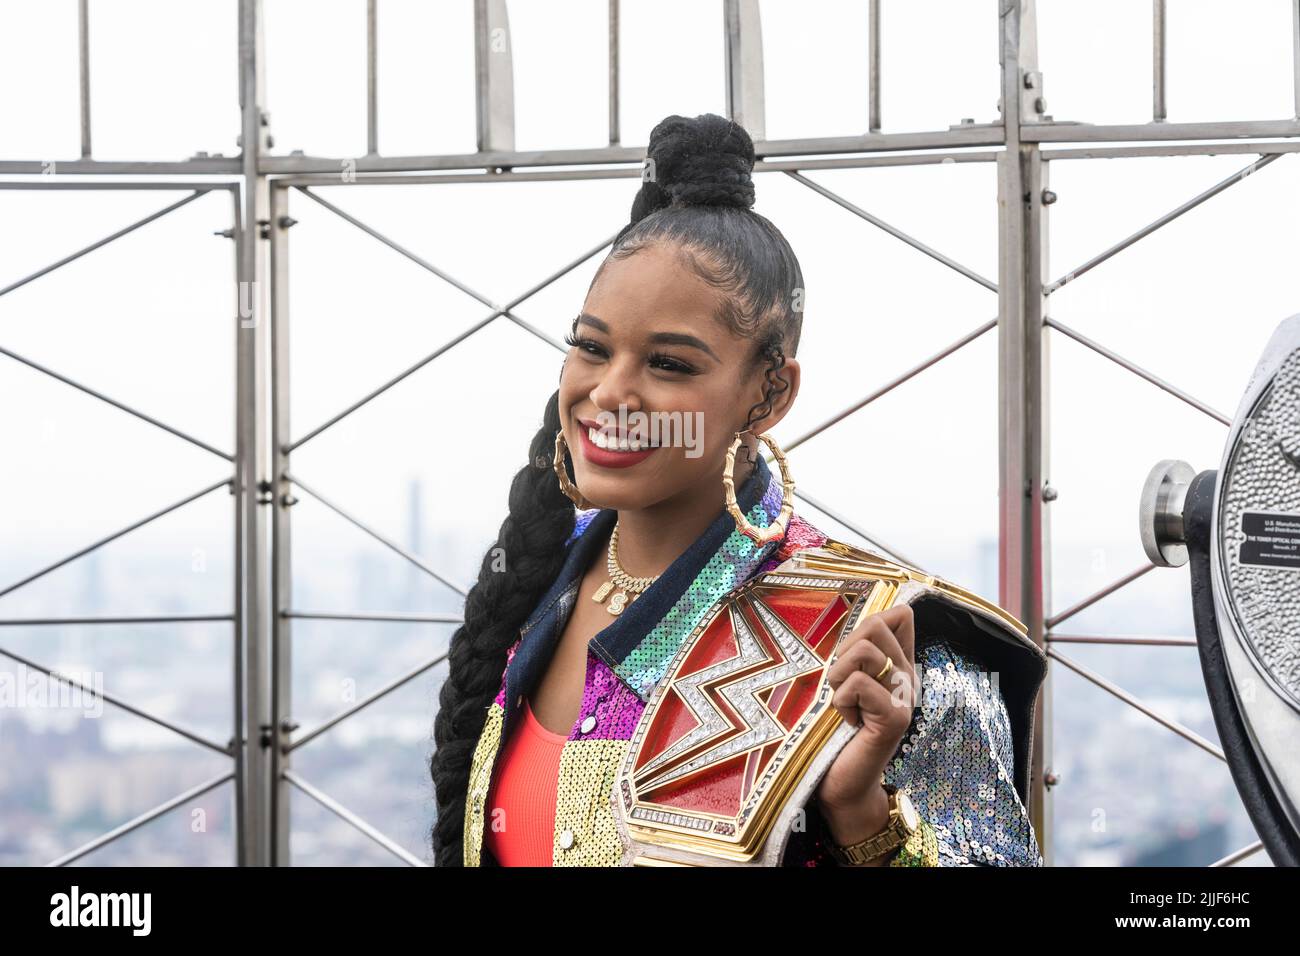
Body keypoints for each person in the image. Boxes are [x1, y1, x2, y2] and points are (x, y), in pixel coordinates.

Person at [430, 112, 1043, 867]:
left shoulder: (881, 639)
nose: (611, 393)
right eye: (591, 347)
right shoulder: (531, 589)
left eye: (670, 365)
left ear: (771, 392)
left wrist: (863, 814)